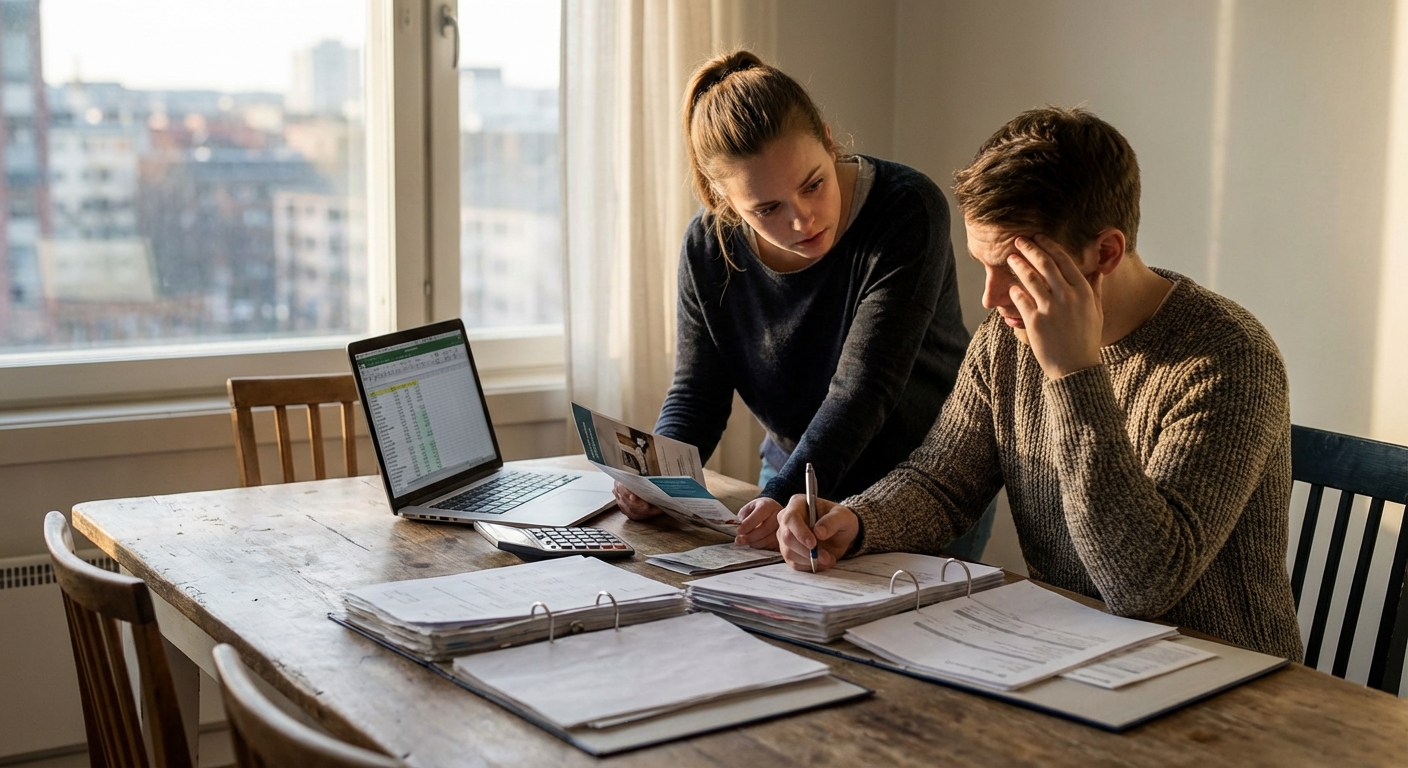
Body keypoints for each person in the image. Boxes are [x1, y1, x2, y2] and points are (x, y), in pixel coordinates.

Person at [775, 107, 1304, 660]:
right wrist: (857, 521)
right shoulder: (1007, 338)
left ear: (1105, 253)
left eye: (1016, 267)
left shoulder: (1230, 357)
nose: (990, 296)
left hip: (1224, 672)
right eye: (983, 264)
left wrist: (1074, 373)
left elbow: (1143, 586)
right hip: (1072, 649)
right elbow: (944, 482)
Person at [611, 49, 996, 557]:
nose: (802, 219)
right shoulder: (708, 247)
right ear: (724, 201)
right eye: (767, 208)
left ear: (829, 141)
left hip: (920, 485)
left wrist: (780, 494)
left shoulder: (906, 209)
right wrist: (659, 478)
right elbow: (697, 394)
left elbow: (862, 388)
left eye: (813, 184)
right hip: (796, 476)